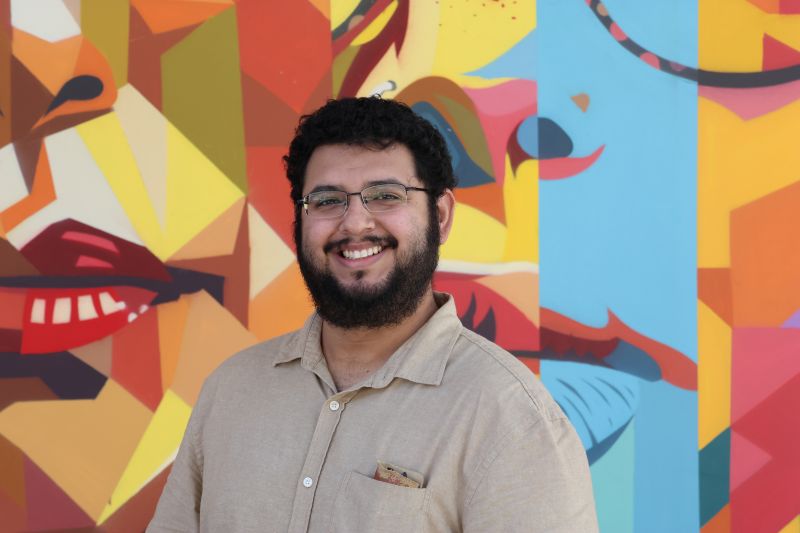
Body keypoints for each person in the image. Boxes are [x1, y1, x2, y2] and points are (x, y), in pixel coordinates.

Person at [147, 97, 598, 532]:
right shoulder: (231, 390)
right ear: (301, 222)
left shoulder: (510, 416)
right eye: (326, 201)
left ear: (439, 215)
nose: (355, 224)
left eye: (385, 195)